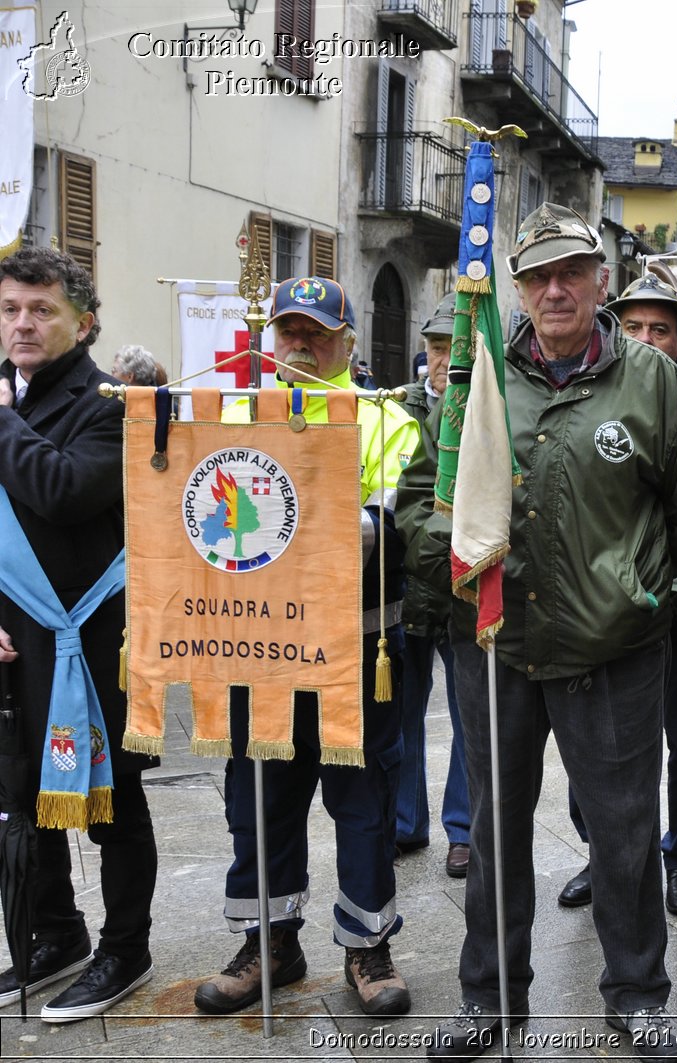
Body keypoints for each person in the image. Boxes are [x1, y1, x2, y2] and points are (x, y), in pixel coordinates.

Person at [397, 203, 677, 1060]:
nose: (555, 289)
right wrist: (464, 556)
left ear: (601, 279)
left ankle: (638, 994)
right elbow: (420, 502)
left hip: (611, 650)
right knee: (493, 830)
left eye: (571, 271)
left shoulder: (657, 382)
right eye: (536, 276)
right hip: (494, 643)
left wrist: (644, 591)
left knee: (621, 831)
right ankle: (489, 995)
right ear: (519, 290)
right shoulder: (477, 380)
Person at [193, 276, 421, 1019]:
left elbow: (387, 531)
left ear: (346, 346)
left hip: (356, 645)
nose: (300, 344)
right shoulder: (231, 415)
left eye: (317, 333)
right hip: (259, 650)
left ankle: (366, 946)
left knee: (363, 804)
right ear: (269, 338)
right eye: (289, 330)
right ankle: (270, 942)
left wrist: (319, 530)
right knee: (259, 798)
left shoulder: (384, 420)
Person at [0, 246, 159, 1022]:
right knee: (27, 789)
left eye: (40, 310)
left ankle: (126, 947)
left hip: (91, 638)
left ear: (83, 322)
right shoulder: (13, 398)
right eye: (10, 309)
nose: (22, 323)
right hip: (14, 632)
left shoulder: (109, 403)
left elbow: (61, 491)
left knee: (112, 799)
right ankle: (53, 933)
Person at [557, 266, 677, 917]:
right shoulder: (590, 395)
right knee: (594, 743)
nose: (649, 339)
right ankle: (604, 851)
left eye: (662, 328)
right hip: (602, 609)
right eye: (635, 327)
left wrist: (676, 589)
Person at [396, 295, 471, 879]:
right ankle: (404, 821)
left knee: (470, 713)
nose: (444, 359)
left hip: (467, 589)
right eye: (437, 347)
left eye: (455, 346)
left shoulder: (489, 411)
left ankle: (463, 829)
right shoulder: (400, 408)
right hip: (406, 584)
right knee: (402, 712)